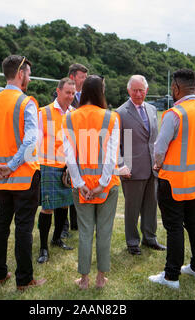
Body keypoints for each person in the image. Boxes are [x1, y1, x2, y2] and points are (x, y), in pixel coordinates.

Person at [0, 55, 46, 291]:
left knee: (1, 224)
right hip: (25, 175)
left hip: (1, 177)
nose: (29, 78)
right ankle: (24, 279)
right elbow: (30, 140)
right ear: (20, 73)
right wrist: (12, 165)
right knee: (24, 228)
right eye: (28, 73)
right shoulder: (26, 102)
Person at [148, 69, 195, 289]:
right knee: (193, 222)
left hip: (173, 181)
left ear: (176, 88)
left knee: (174, 227)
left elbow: (159, 148)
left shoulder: (175, 113)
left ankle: (171, 276)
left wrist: (157, 164)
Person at [63, 75, 120, 289]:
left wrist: (80, 184)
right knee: (104, 232)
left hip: (83, 187)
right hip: (107, 186)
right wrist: (102, 184)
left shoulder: (69, 118)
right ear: (100, 92)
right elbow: (112, 156)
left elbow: (69, 157)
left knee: (85, 232)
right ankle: (100, 278)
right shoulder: (111, 118)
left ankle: (84, 280)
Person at [115, 75, 165, 255]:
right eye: (134, 90)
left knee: (151, 206)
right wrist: (122, 165)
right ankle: (132, 242)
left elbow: (154, 139)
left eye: (141, 90)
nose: (138, 93)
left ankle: (150, 238)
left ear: (146, 91)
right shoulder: (120, 112)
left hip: (152, 167)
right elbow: (116, 144)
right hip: (131, 170)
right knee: (132, 208)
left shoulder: (152, 110)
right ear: (128, 91)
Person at [36, 78, 76, 264]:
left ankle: (57, 239)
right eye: (67, 92)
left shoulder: (74, 114)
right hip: (49, 165)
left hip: (68, 166)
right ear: (58, 91)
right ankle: (43, 248)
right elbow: (35, 142)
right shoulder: (43, 113)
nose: (70, 96)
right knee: (48, 208)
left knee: (65, 205)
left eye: (73, 93)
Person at [60, 63, 88, 238]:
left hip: (82, 145)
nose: (84, 80)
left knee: (77, 182)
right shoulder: (61, 95)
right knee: (64, 186)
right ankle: (63, 227)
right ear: (72, 77)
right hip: (64, 146)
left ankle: (76, 222)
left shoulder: (86, 96)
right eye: (82, 77)